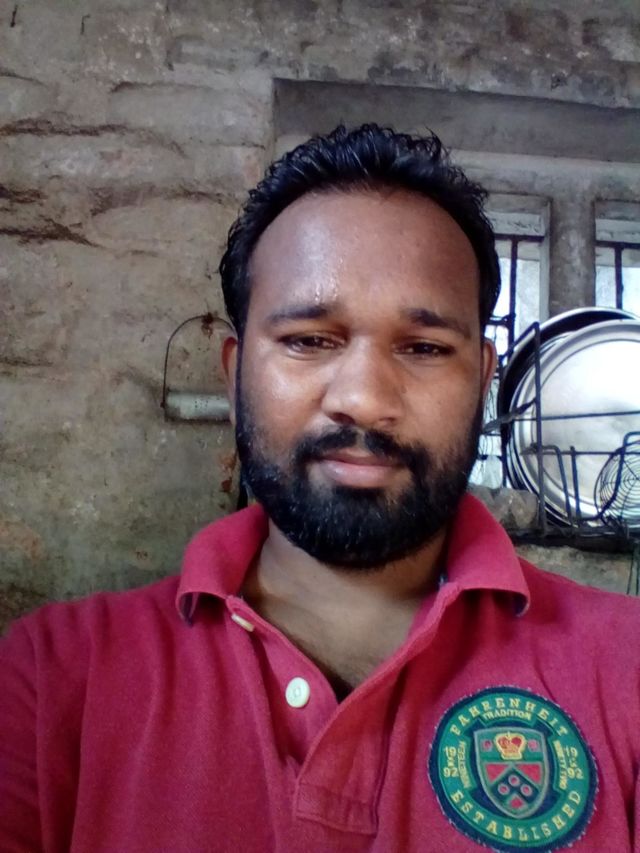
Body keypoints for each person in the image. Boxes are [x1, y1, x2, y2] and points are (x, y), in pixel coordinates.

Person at [1, 124, 638, 853]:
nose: (363, 399)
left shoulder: (627, 667)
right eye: (309, 340)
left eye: (424, 347)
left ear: (484, 382)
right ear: (235, 377)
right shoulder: (56, 675)